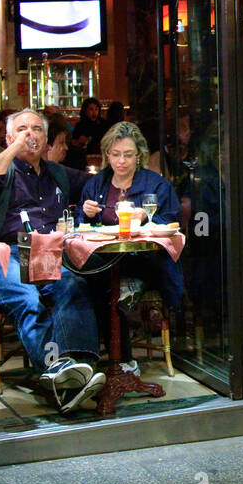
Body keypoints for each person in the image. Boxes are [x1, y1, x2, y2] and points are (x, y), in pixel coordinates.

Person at [0, 108, 104, 413]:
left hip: (46, 255)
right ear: (7, 137)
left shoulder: (56, 172)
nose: (30, 134)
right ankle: (60, 371)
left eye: (36, 130)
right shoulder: (2, 169)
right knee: (28, 299)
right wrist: (16, 146)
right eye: (22, 129)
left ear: (46, 139)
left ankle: (77, 367)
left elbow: (97, 183)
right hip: (1, 256)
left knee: (73, 286)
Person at [76, 121, 185, 370]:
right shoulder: (97, 184)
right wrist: (86, 213)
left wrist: (148, 218)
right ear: (106, 155)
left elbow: (172, 223)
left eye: (127, 155)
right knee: (86, 286)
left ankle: (122, 360)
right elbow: (79, 229)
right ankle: (95, 358)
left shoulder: (156, 185)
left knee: (109, 290)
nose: (121, 161)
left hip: (145, 261)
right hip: (104, 260)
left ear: (140, 156)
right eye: (115, 155)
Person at [67, 97, 107, 170]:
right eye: (91, 109)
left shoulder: (103, 124)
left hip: (101, 156)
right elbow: (73, 142)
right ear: (85, 111)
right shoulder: (80, 125)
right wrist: (80, 141)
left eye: (96, 109)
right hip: (85, 157)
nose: (94, 112)